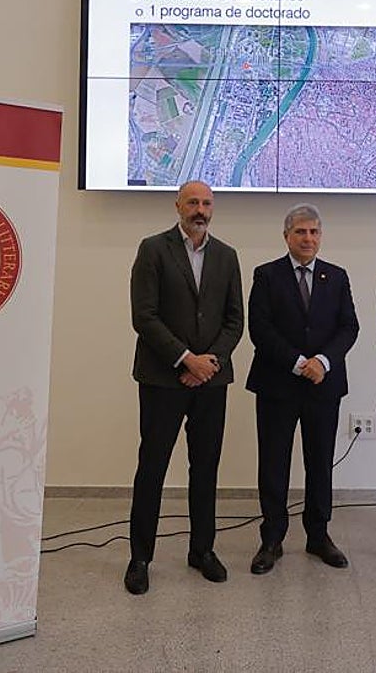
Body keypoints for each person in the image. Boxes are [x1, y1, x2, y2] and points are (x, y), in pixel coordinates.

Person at [124, 180, 244, 595]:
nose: (200, 209)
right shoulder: (153, 249)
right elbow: (144, 315)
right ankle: (140, 558)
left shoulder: (227, 256)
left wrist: (208, 363)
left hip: (211, 381)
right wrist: (184, 359)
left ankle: (202, 550)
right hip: (162, 379)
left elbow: (234, 321)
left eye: (207, 203)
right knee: (152, 468)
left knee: (205, 468)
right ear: (177, 205)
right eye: (193, 202)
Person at [245, 204, 360, 575]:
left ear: (320, 236)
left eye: (313, 232)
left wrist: (322, 362)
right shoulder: (266, 275)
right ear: (286, 236)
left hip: (323, 386)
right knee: (274, 463)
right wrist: (298, 363)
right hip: (278, 384)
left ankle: (318, 535)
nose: (308, 238)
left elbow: (349, 327)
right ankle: (272, 538)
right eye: (300, 232)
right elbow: (260, 330)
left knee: (320, 463)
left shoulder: (337, 276)